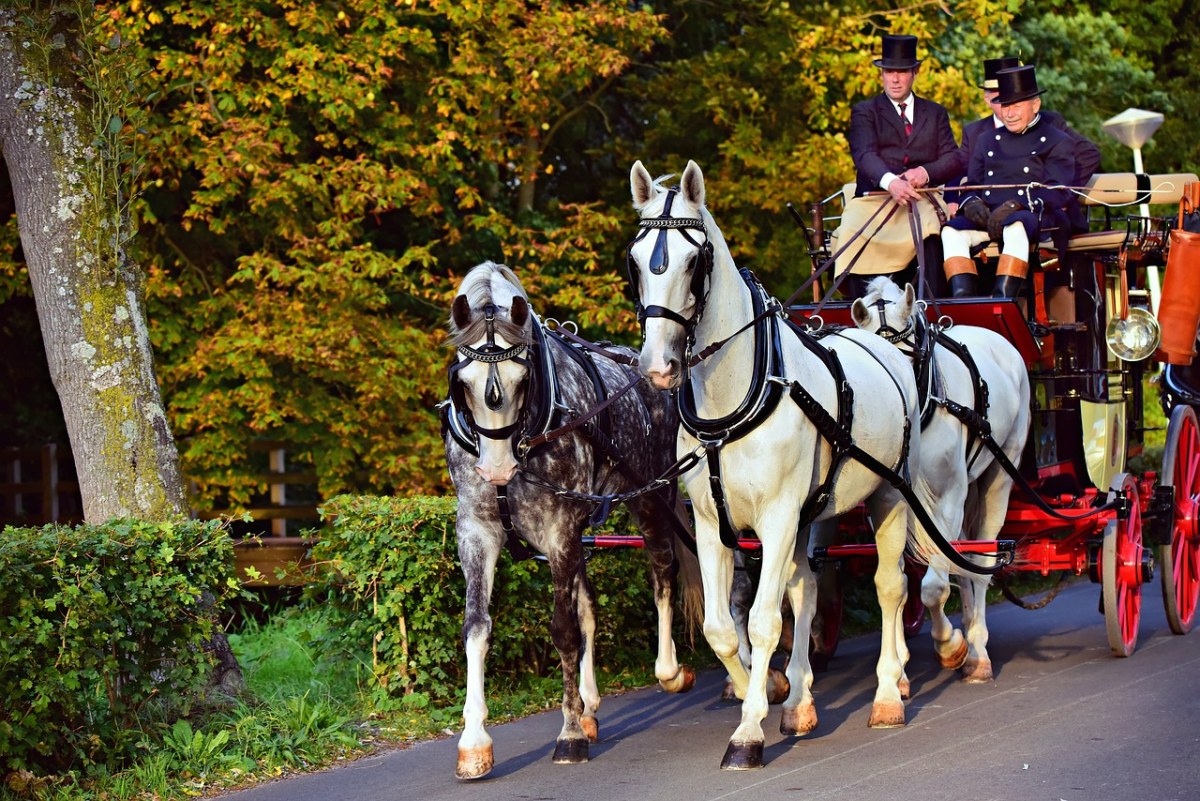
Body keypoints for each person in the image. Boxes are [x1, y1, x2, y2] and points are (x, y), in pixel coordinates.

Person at [841, 33, 966, 298]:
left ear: (915, 72)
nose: (895, 79)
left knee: (932, 229)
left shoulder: (935, 113)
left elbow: (953, 158)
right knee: (850, 226)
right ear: (882, 75)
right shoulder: (865, 111)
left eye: (902, 72)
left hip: (921, 199)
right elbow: (863, 154)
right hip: (875, 198)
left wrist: (925, 172)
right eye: (889, 72)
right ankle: (855, 308)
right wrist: (891, 182)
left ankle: (932, 307)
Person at [941, 65, 1075, 298]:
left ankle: (1003, 298)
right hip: (991, 218)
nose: (1009, 113)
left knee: (1016, 225)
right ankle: (963, 301)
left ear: (1035, 105)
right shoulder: (986, 140)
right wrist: (971, 203)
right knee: (950, 231)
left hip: (1038, 218)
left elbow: (1057, 192)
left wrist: (1017, 204)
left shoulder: (1057, 140)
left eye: (1016, 106)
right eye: (1005, 106)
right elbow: (972, 183)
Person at [948, 56, 1100, 234]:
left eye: (1015, 97)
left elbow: (1088, 154)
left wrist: (1059, 193)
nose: (1008, 103)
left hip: (1038, 214)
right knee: (951, 233)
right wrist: (960, 201)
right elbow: (958, 167)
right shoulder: (976, 133)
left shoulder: (1050, 124)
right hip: (989, 215)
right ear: (988, 100)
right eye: (1001, 97)